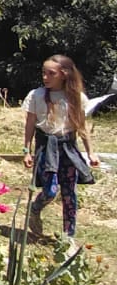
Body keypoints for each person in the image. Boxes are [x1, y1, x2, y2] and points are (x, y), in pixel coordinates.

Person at [23, 54, 99, 245]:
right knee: (50, 190)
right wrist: (27, 150)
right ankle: (35, 209)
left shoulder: (76, 97)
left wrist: (90, 152)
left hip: (67, 147)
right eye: (44, 73)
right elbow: (30, 124)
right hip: (46, 146)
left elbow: (81, 126)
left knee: (69, 193)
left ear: (64, 74)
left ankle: (68, 237)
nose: (45, 77)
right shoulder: (36, 95)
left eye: (51, 73)